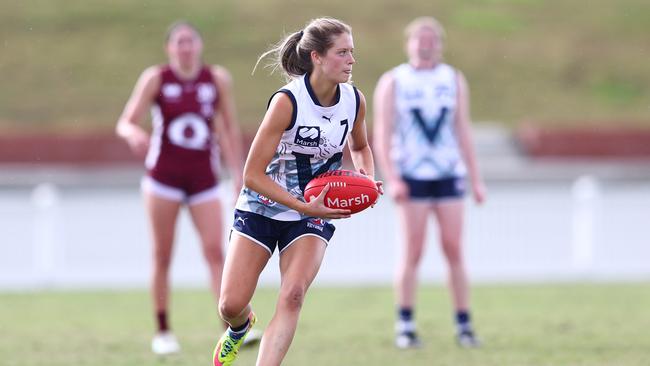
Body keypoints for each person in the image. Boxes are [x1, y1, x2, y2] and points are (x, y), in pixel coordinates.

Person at [212, 17, 381, 366]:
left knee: (292, 295)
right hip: (262, 205)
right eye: (343, 52)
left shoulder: (354, 101)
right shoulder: (287, 102)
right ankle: (241, 326)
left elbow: (361, 147)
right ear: (317, 57)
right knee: (230, 304)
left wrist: (366, 175)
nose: (352, 60)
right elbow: (251, 174)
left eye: (352, 52)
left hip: (312, 215)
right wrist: (304, 205)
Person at [116, 21, 250, 355]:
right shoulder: (156, 78)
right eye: (179, 42)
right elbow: (125, 120)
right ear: (169, 48)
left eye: (191, 41)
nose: (185, 47)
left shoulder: (216, 79)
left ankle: (231, 329)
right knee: (162, 255)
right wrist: (133, 133)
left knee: (216, 252)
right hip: (163, 179)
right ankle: (163, 330)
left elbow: (230, 130)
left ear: (200, 46)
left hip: (204, 178)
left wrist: (238, 175)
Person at [373, 16, 487, 349]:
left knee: (454, 249)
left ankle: (464, 325)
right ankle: (405, 324)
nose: (425, 44)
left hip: (448, 173)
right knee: (412, 251)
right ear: (408, 44)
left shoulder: (452, 79)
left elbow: (462, 130)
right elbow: (382, 133)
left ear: (440, 44)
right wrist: (392, 178)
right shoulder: (394, 81)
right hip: (412, 177)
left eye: (431, 39)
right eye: (419, 39)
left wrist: (475, 179)